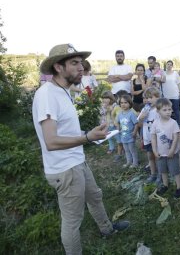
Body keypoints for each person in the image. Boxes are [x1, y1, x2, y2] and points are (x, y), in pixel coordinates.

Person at [32, 44, 129, 254]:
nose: (81, 68)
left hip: (76, 161)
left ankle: (106, 229)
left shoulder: (62, 91)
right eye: (74, 63)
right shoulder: (48, 94)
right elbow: (51, 141)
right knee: (72, 220)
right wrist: (87, 137)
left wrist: (89, 133)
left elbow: (64, 130)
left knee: (95, 196)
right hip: (65, 169)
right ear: (58, 67)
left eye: (81, 63)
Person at [150, 98, 180, 198]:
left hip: (171, 153)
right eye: (164, 110)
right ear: (158, 111)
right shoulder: (155, 123)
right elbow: (153, 137)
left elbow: (175, 138)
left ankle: (179, 187)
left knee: (175, 171)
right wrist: (154, 150)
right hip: (160, 153)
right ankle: (165, 185)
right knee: (163, 170)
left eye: (169, 109)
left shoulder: (173, 123)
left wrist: (172, 150)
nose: (168, 112)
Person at [138, 87, 161, 183]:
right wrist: (141, 117)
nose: (148, 100)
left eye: (150, 97)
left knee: (158, 157)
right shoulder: (144, 109)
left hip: (157, 139)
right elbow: (139, 124)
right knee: (150, 157)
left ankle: (160, 175)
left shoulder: (159, 110)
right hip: (147, 138)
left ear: (158, 97)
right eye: (146, 98)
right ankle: (153, 174)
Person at [116, 95, 139, 168]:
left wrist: (135, 132)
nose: (123, 104)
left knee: (132, 149)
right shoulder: (120, 114)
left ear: (130, 103)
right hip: (123, 136)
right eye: (121, 103)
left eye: (125, 102)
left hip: (130, 135)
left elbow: (136, 124)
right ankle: (129, 162)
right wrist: (118, 128)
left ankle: (135, 163)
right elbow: (118, 123)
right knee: (126, 150)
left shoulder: (131, 113)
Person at [163, 60, 180, 127]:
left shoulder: (175, 73)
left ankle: (179, 124)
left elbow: (179, 83)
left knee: (176, 110)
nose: (169, 65)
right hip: (166, 96)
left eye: (170, 64)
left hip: (175, 95)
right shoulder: (163, 73)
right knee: (167, 111)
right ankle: (168, 124)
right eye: (168, 64)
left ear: (172, 66)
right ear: (166, 65)